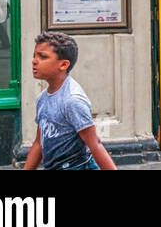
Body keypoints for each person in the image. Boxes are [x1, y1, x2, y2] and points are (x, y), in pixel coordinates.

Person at [24, 31, 117, 170]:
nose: (34, 61)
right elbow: (39, 143)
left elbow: (95, 144)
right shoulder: (43, 98)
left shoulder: (72, 101)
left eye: (42, 57)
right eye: (34, 56)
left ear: (63, 65)